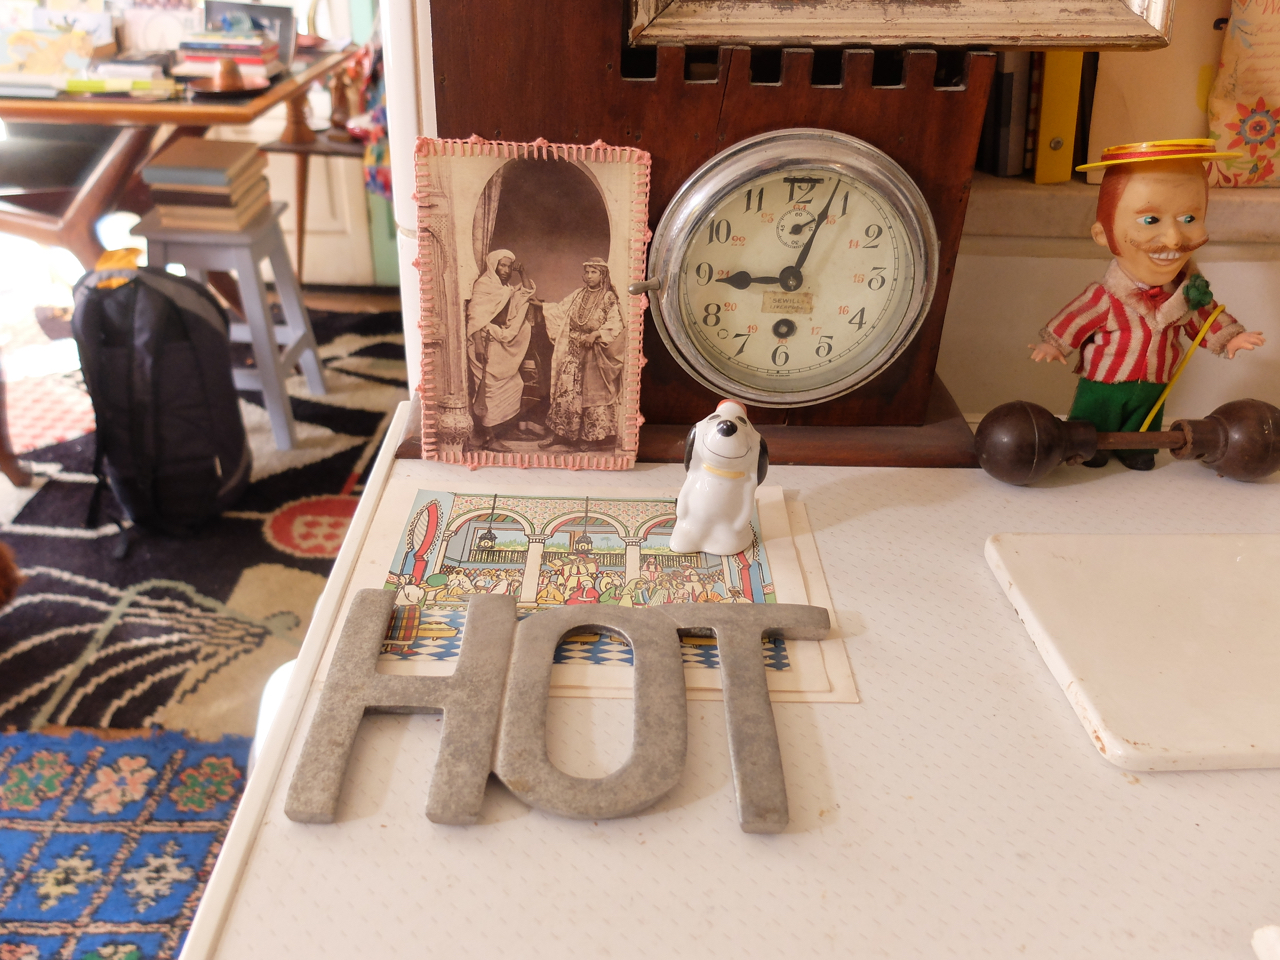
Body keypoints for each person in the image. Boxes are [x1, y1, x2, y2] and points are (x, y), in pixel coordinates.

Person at [1031, 140, 1266, 470]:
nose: (1174, 239)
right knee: (1093, 417)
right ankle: (1090, 449)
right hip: (1105, 379)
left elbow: (1205, 318)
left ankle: (1138, 449)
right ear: (1103, 234)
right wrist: (1054, 343)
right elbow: (1077, 318)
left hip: (1155, 380)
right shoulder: (1106, 297)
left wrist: (1230, 337)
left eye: (1189, 217)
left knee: (1145, 420)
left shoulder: (1188, 294)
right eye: (1150, 219)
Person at [539, 257, 624, 450]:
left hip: (594, 354)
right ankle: (561, 434)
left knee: (590, 396)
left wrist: (596, 334)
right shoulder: (578, 294)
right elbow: (560, 310)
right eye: (587, 272)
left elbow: (616, 323)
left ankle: (588, 438)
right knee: (566, 392)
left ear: (602, 275)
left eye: (594, 272)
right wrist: (541, 306)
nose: (589, 276)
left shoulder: (608, 297)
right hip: (573, 351)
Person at [467, 249, 536, 453]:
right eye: (502, 265)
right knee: (488, 391)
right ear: (493, 265)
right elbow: (475, 317)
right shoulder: (484, 286)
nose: (506, 270)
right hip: (483, 343)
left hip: (498, 341)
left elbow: (526, 292)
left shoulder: (506, 289)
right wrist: (478, 344)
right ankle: (490, 438)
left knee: (515, 384)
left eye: (509, 266)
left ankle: (504, 430)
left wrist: (522, 272)